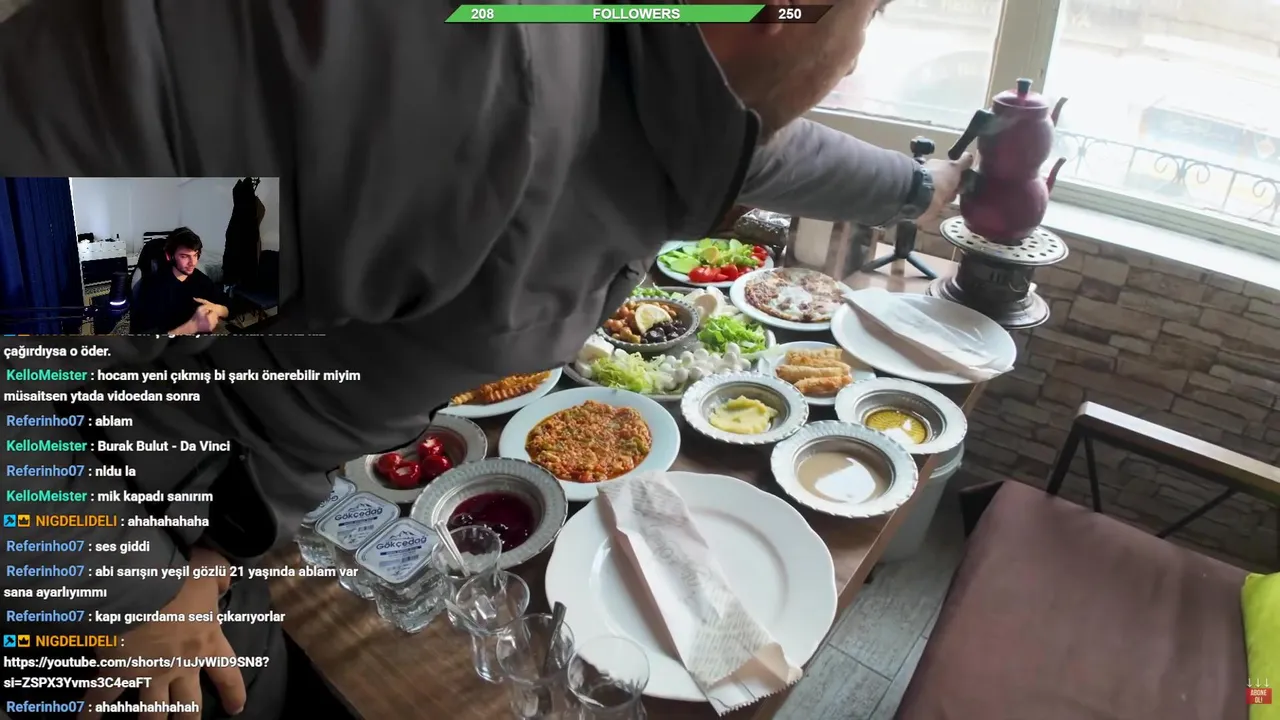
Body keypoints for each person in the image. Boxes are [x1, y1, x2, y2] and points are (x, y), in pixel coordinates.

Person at [0, 1, 972, 718]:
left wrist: (925, 188)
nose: (857, 57)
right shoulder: (434, 73)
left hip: (219, 491)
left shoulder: (646, 57)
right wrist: (128, 577)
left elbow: (755, 147)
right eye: (875, 14)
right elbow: (46, 300)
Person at [131, 227, 232, 335]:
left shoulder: (200, 278)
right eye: (184, 256)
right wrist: (191, 327)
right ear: (169, 256)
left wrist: (218, 309)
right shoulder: (151, 287)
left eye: (195, 255)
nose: (193, 263)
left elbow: (231, 306)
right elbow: (145, 340)